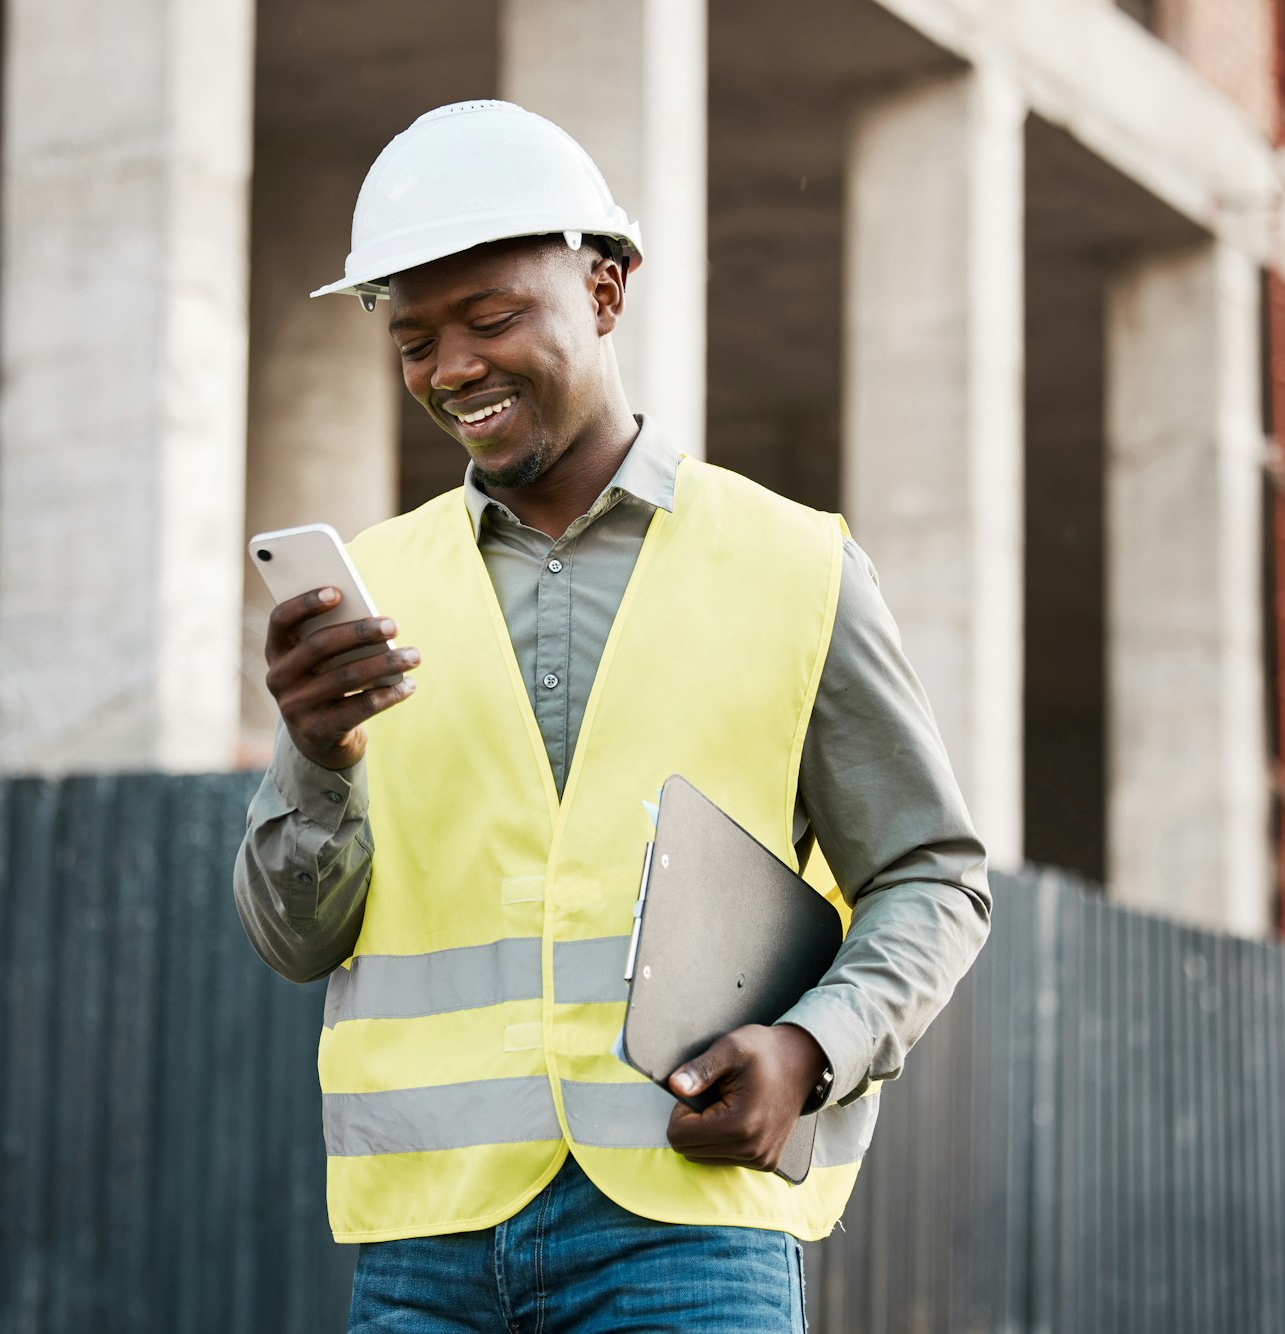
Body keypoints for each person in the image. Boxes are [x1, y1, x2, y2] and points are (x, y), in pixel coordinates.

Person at [234, 100, 990, 1333]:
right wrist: (316, 758)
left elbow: (932, 877)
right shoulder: (370, 589)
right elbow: (291, 938)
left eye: (491, 318)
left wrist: (809, 1050)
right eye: (415, 339)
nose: (454, 367)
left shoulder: (793, 566)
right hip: (424, 1243)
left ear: (605, 288)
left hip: (682, 1232)